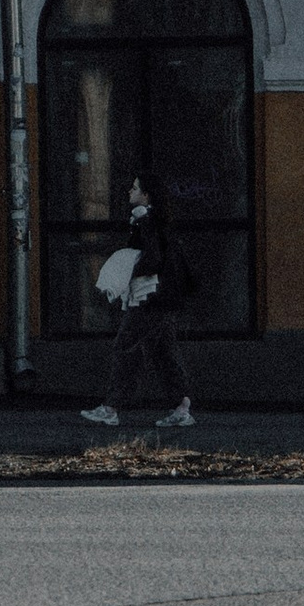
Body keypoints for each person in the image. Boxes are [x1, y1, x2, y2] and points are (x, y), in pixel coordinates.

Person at [81, 173, 194, 433]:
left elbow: (152, 258)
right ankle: (181, 406)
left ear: (146, 195)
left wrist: (128, 268)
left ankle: (111, 408)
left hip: (148, 296)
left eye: (134, 188)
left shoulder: (146, 220)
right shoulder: (154, 220)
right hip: (161, 297)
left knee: (126, 347)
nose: (129, 192)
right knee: (164, 352)